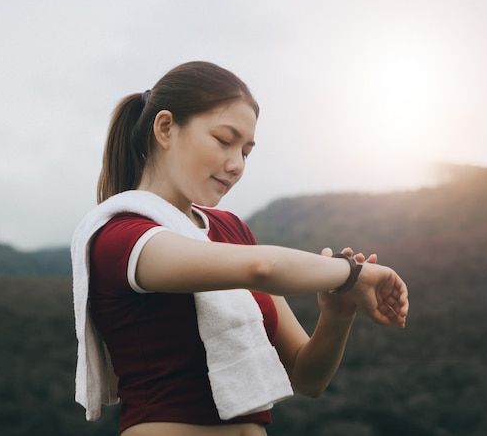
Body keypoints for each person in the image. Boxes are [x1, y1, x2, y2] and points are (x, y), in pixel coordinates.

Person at [71, 61, 409, 436]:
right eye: (223, 140)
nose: (236, 165)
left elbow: (305, 378)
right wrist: (353, 273)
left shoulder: (231, 230)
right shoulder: (121, 237)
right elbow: (262, 269)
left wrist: (337, 314)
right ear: (166, 128)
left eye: (246, 151)